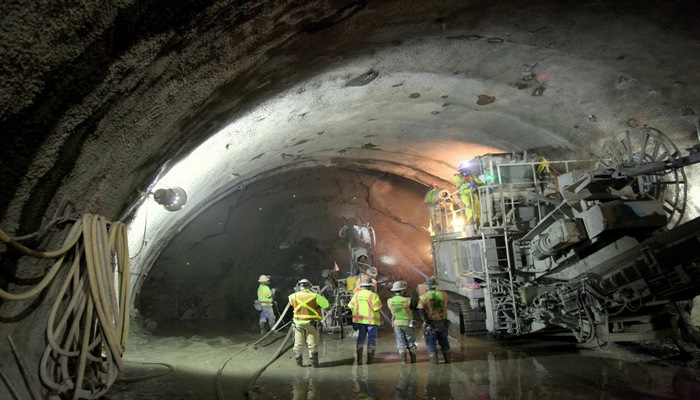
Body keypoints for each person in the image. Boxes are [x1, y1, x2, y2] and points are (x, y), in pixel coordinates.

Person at [288, 278, 329, 367]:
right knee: (312, 345)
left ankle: (299, 365)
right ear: (309, 286)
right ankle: (314, 366)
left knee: (298, 345)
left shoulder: (292, 296)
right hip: (312, 324)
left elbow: (292, 305)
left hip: (298, 324)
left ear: (299, 287)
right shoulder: (315, 296)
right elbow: (326, 305)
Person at [348, 277, 382, 364]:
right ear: (371, 286)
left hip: (360, 321)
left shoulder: (356, 294)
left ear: (362, 286)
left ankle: (359, 360)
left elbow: (350, 306)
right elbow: (377, 308)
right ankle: (370, 360)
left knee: (361, 338)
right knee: (371, 339)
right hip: (372, 322)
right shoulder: (374, 296)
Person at [417, 276, 451, 364]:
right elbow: (448, 304)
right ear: (435, 285)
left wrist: (427, 322)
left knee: (431, 344)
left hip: (431, 324)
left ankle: (435, 364)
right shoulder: (444, 295)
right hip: (443, 323)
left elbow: (421, 311)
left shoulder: (423, 297)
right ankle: (448, 361)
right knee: (444, 342)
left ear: (426, 286)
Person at [387, 280, 418, 365]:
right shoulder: (407, 300)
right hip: (407, 324)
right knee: (411, 342)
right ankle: (413, 362)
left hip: (396, 324)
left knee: (401, 343)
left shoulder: (389, 301)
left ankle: (404, 362)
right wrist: (410, 297)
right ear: (403, 290)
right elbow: (416, 307)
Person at [454, 161, 484, 226]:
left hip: (473, 193)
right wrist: (468, 184)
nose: (467, 170)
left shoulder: (471, 176)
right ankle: (470, 220)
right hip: (465, 194)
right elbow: (459, 186)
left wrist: (483, 183)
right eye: (466, 169)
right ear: (461, 170)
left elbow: (478, 181)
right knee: (469, 206)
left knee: (476, 206)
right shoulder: (458, 177)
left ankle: (476, 219)